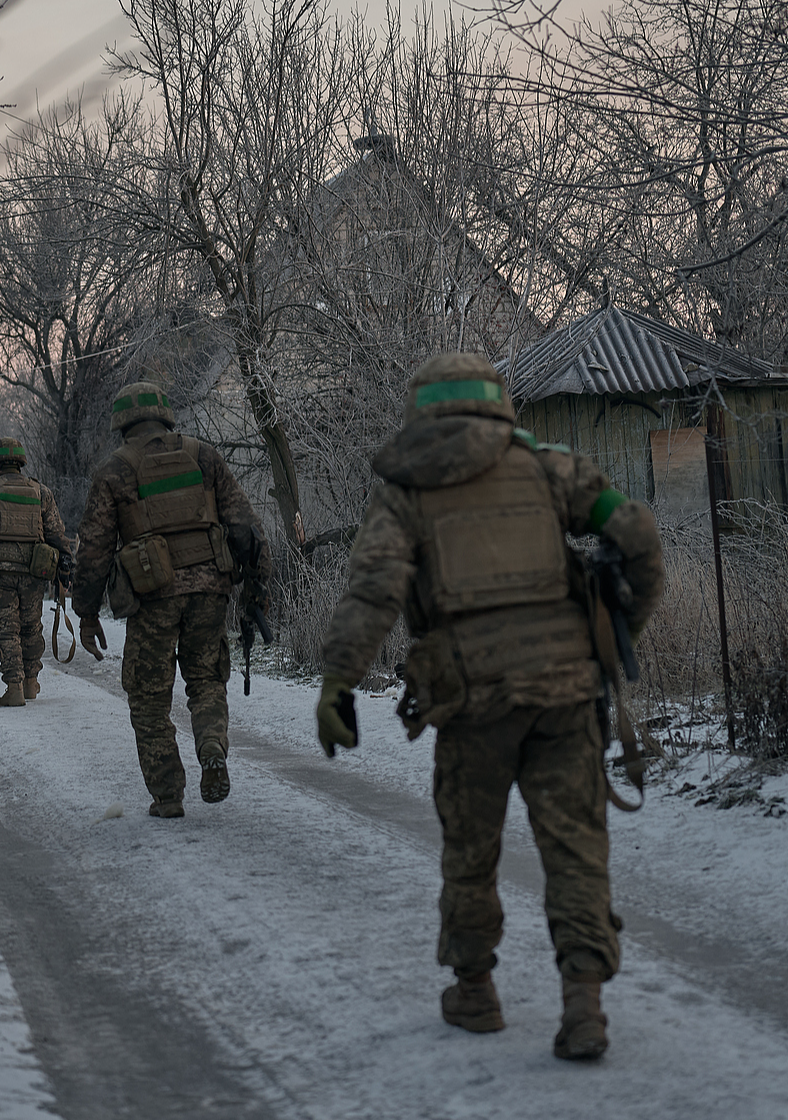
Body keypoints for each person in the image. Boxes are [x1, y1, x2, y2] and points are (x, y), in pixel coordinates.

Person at [315, 351, 663, 1061]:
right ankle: (584, 1007)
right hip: (566, 693)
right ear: (499, 403)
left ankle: (475, 994)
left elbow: (375, 593)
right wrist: (623, 627)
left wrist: (337, 684)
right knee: (575, 849)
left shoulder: (406, 492)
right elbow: (636, 533)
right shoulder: (548, 468)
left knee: (471, 851)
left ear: (423, 410)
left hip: (471, 702)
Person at [70, 382, 270, 817]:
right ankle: (212, 745)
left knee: (148, 697)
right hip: (209, 590)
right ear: (165, 415)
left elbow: (93, 551)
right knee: (206, 682)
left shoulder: (114, 471)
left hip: (153, 596)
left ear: (121, 423)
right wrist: (258, 586)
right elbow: (246, 529)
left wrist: (85, 613)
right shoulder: (204, 456)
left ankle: (167, 796)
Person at [0, 437, 75, 707]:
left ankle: (14, 686)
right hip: (35, 570)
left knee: (6, 629)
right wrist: (66, 565)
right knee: (31, 626)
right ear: (21, 464)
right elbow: (56, 534)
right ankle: (31, 683)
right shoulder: (41, 492)